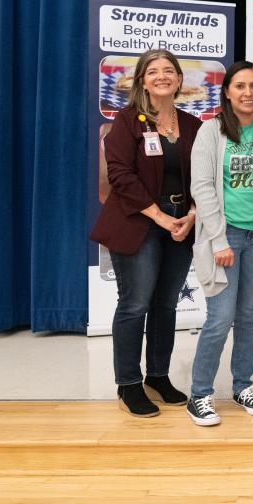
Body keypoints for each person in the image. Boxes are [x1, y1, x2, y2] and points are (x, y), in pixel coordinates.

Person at [90, 49, 202, 418]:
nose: (162, 76)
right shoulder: (128, 122)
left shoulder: (192, 124)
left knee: (165, 305)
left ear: (179, 80)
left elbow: (206, 176)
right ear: (141, 81)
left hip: (180, 225)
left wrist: (191, 214)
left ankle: (158, 376)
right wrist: (160, 217)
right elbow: (120, 175)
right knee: (135, 304)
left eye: (169, 70)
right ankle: (129, 384)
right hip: (139, 223)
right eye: (153, 71)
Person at [185, 62, 253, 426]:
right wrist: (218, 240)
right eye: (240, 86)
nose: (248, 93)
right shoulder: (211, 132)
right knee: (220, 319)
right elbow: (203, 188)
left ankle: (243, 386)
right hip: (224, 240)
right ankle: (199, 394)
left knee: (248, 317)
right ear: (227, 91)